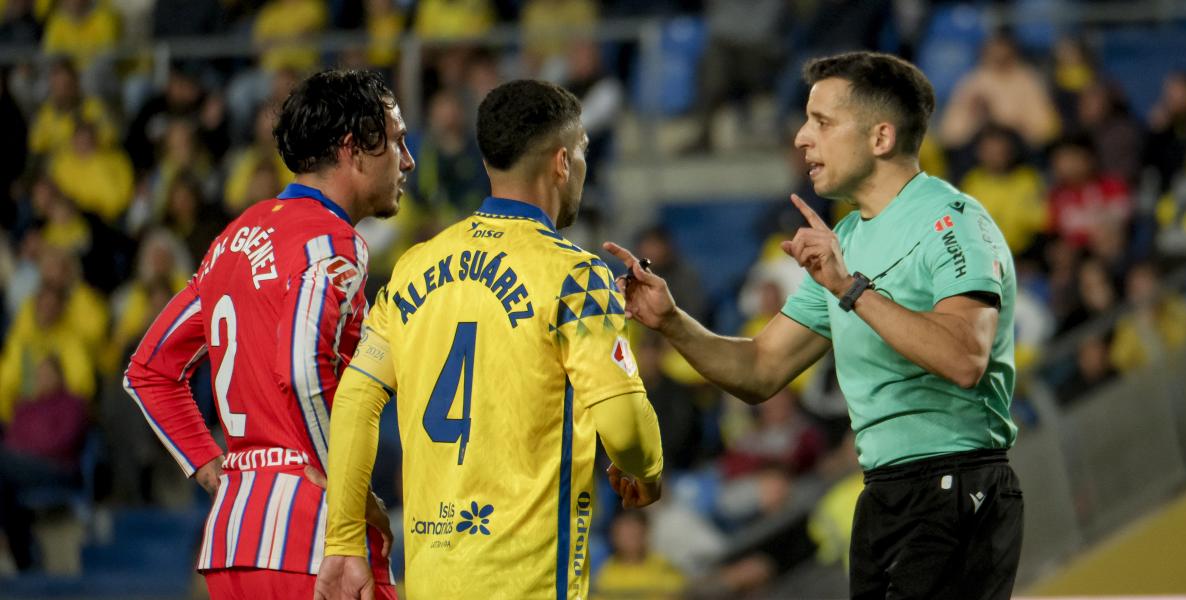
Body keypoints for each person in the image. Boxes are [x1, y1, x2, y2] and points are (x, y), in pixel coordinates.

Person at [606, 52, 1023, 600]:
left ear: (880, 137)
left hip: (954, 484)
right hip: (884, 493)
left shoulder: (953, 221)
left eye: (822, 122)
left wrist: (850, 288)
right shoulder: (847, 238)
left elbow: (965, 358)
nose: (803, 137)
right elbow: (760, 368)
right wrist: (672, 323)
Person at [315, 80, 665, 600]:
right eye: (584, 152)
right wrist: (646, 468)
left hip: (431, 582)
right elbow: (626, 432)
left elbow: (355, 400)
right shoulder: (575, 276)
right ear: (562, 162)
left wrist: (343, 540)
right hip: (528, 584)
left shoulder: (413, 268)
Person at [123, 69, 415, 600]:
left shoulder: (233, 239)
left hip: (234, 537)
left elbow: (149, 370)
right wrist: (350, 496)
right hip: (316, 540)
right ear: (354, 149)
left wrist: (214, 467)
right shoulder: (333, 244)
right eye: (397, 141)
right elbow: (304, 369)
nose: (408, 161)